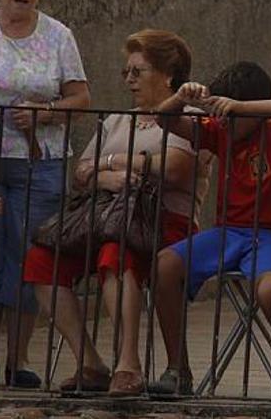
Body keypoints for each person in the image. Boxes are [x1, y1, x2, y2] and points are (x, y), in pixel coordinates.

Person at [24, 29, 210, 395]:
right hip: (106, 215)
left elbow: (176, 168)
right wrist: (111, 177)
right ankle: (90, 362)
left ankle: (129, 365)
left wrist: (112, 163)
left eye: (137, 71)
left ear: (167, 74)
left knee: (116, 252)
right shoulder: (117, 120)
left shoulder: (187, 117)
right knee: (40, 261)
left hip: (163, 223)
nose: (128, 80)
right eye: (126, 72)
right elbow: (81, 172)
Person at [151, 61, 271, 399]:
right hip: (230, 232)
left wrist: (242, 107)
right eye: (221, 111)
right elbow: (164, 119)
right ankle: (176, 369)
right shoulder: (219, 130)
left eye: (231, 112)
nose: (224, 119)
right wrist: (182, 96)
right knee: (165, 263)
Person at [0, 0, 91, 388]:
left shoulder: (57, 35)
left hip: (40, 163)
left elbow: (81, 95)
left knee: (30, 258)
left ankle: (19, 360)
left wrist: (45, 112)